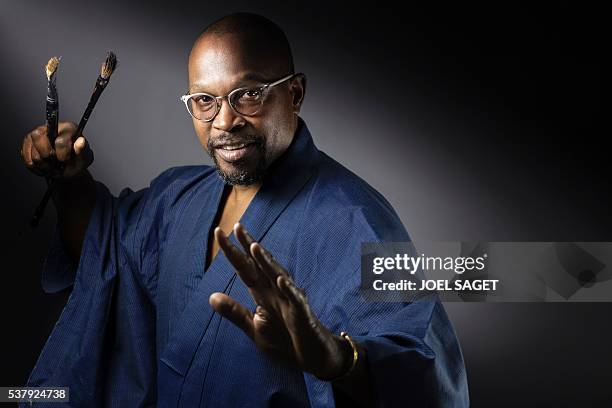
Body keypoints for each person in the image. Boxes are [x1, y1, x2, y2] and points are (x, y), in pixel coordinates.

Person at [20, 13, 469, 407]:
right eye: (204, 100)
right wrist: (70, 179)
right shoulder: (178, 197)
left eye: (249, 94)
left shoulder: (357, 220)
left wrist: (337, 359)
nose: (224, 120)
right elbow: (103, 253)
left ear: (295, 94)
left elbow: (427, 377)